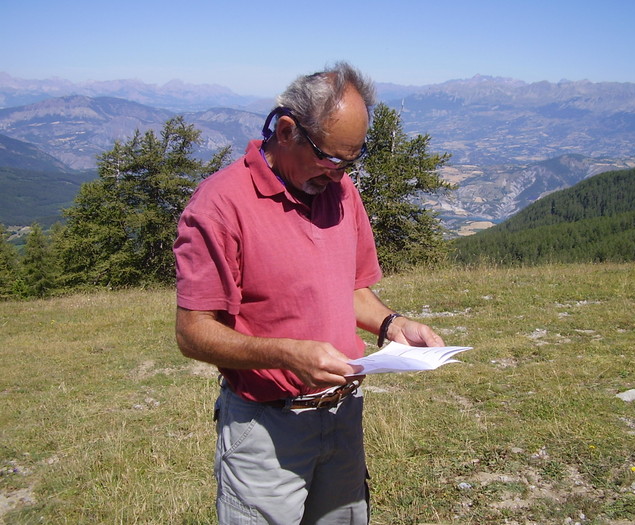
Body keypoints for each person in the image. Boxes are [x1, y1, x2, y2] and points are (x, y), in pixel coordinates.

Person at [173, 61, 445, 525]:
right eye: (331, 158)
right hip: (266, 428)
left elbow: (352, 288)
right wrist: (287, 354)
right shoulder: (218, 205)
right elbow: (193, 333)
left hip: (343, 416)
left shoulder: (342, 193)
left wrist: (391, 324)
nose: (340, 175)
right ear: (285, 131)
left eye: (352, 160)